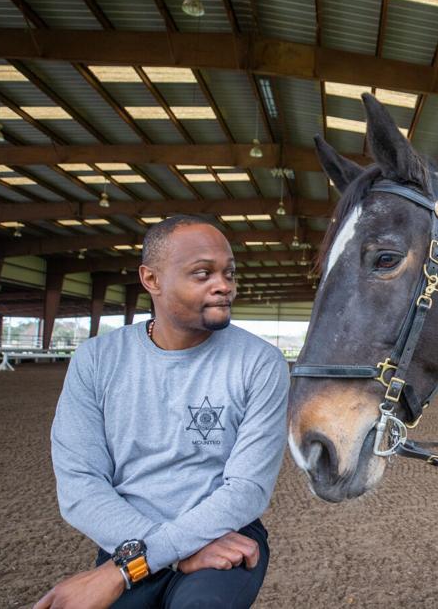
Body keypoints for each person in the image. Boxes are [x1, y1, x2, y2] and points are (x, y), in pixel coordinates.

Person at [35, 215, 289, 608]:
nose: (224, 285)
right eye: (203, 273)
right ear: (151, 279)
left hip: (223, 538)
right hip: (127, 537)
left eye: (229, 273)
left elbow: (246, 490)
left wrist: (126, 569)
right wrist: (169, 553)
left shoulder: (260, 363)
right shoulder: (96, 360)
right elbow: (80, 483)